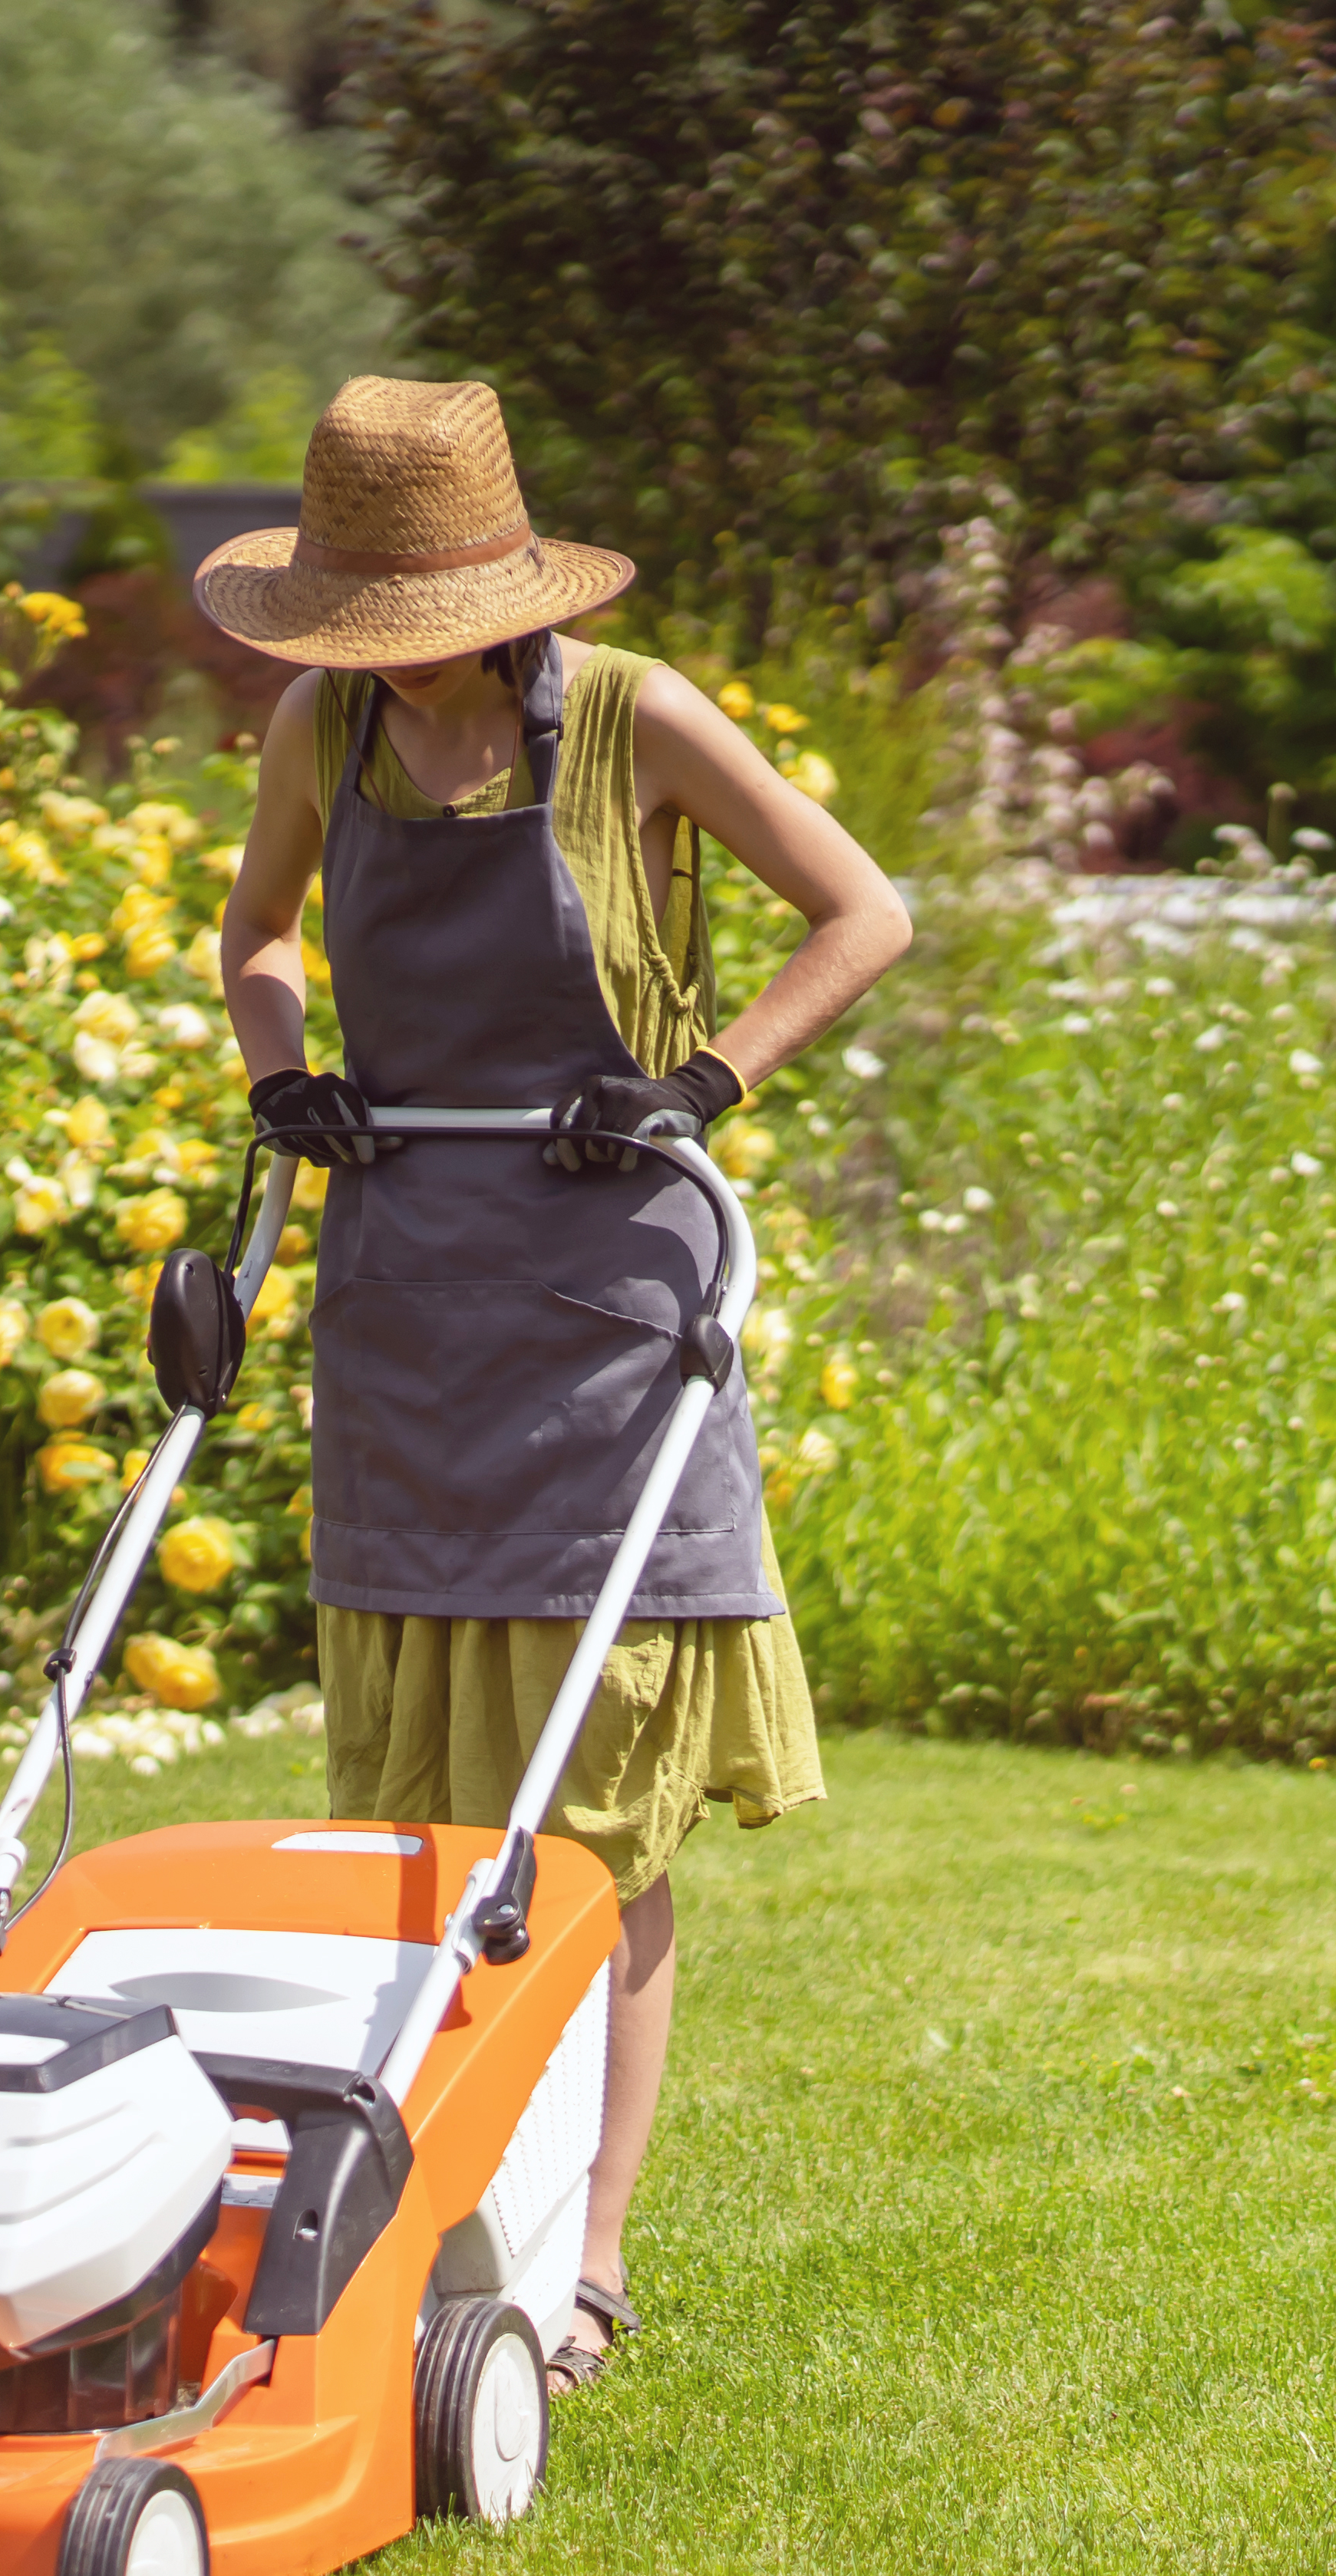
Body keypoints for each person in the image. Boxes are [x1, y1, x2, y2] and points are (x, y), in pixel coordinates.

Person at [194, 376, 911, 2393]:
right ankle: (425, 2209)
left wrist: (704, 1079)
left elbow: (869, 911)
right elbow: (255, 930)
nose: (386, 663)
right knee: (417, 1812)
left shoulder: (632, 718)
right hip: (412, 1290)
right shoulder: (316, 729)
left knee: (595, 1820)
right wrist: (279, 1069)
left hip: (612, 1299)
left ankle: (581, 2258)